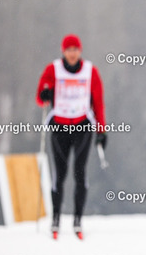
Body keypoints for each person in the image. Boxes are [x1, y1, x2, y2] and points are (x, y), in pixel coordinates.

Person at [36, 34, 107, 239]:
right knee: (60, 173)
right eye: (69, 50)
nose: (72, 54)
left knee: (79, 172)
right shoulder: (53, 69)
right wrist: (44, 95)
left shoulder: (90, 71)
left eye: (75, 49)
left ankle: (77, 220)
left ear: (80, 51)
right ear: (63, 51)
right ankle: (56, 219)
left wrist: (101, 130)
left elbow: (98, 102)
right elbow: (41, 95)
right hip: (59, 126)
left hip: (82, 126)